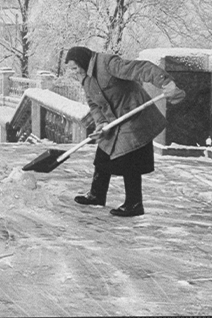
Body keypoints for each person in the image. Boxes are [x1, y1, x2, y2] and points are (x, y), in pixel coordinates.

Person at [65, 46, 185, 217]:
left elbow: (140, 69)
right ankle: (96, 195)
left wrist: (166, 82)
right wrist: (101, 123)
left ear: (83, 62)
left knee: (131, 157)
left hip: (135, 114)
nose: (74, 72)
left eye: (75, 68)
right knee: (103, 153)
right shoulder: (86, 78)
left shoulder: (107, 63)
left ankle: (134, 203)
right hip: (113, 119)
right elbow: (94, 104)